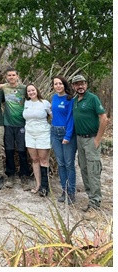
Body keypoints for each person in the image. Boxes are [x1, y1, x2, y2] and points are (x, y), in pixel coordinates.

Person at [71, 74, 108, 217]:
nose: (80, 86)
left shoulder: (92, 98)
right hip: (79, 140)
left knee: (93, 170)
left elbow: (104, 118)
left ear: (86, 84)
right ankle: (90, 199)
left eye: (82, 83)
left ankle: (95, 204)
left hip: (91, 139)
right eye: (77, 84)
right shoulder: (75, 101)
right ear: (73, 86)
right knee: (84, 169)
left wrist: (97, 139)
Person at [0, 67, 31, 189]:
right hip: (8, 124)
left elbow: (34, 97)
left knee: (22, 151)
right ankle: (11, 175)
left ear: (17, 76)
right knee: (9, 150)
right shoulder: (4, 88)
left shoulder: (24, 89)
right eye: (9, 75)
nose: (11, 77)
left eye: (13, 75)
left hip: (21, 124)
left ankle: (24, 176)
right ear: (6, 77)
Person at [50, 75, 76, 204]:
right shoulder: (54, 98)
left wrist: (67, 136)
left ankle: (71, 192)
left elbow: (71, 118)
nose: (58, 86)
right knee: (60, 163)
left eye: (60, 83)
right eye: (55, 84)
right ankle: (64, 191)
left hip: (66, 133)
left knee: (69, 164)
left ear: (64, 85)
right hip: (54, 132)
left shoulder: (70, 99)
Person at [23, 84, 52, 196]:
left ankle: (45, 187)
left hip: (43, 134)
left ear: (37, 90)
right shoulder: (26, 103)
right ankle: (38, 185)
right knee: (34, 159)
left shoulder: (45, 103)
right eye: (29, 91)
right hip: (29, 134)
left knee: (43, 160)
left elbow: (53, 116)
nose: (31, 92)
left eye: (33, 90)